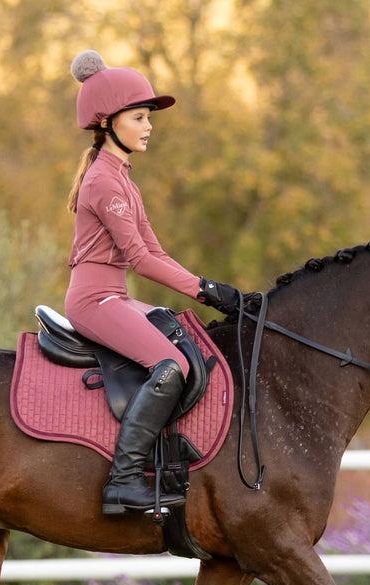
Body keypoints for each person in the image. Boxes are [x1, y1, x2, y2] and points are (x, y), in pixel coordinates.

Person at [65, 49, 243, 515]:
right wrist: (205, 289)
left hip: (115, 296)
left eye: (149, 119)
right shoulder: (104, 182)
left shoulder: (123, 179)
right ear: (108, 122)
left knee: (184, 336)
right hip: (94, 301)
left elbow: (157, 253)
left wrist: (213, 291)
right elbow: (141, 260)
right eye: (140, 117)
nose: (149, 127)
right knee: (169, 365)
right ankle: (123, 480)